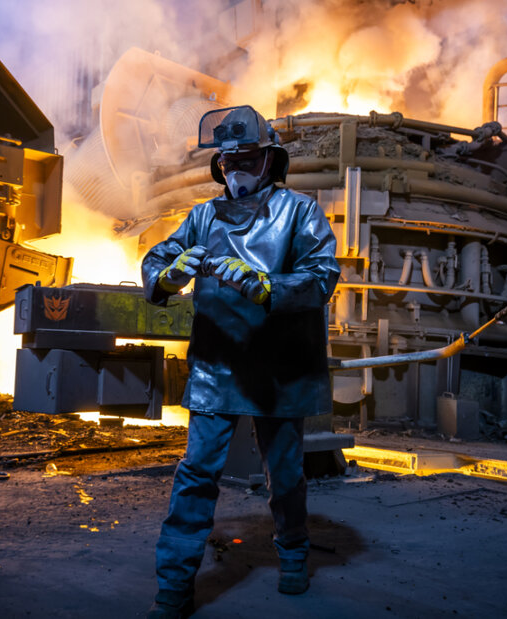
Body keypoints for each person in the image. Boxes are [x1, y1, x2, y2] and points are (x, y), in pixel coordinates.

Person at [142, 105, 340, 618]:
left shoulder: (299, 211)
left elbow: (322, 277)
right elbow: (156, 261)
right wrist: (168, 275)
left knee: (286, 474)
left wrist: (268, 285)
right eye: (229, 164)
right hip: (217, 363)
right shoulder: (202, 217)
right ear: (220, 167)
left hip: (280, 367)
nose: (237, 171)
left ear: (270, 161)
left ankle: (293, 556)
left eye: (247, 160)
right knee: (197, 474)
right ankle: (173, 586)